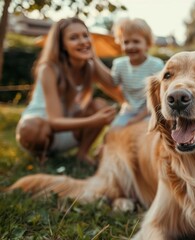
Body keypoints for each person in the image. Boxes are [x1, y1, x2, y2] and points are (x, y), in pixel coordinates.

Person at [16, 17, 125, 165]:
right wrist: (94, 121)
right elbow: (53, 121)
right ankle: (41, 157)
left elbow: (113, 84)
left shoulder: (88, 66)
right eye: (74, 38)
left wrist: (92, 55)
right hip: (41, 132)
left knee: (100, 106)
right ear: (62, 45)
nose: (83, 41)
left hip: (69, 131)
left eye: (85, 36)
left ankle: (82, 154)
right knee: (31, 126)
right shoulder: (48, 68)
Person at [110, 18, 164, 127]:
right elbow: (112, 83)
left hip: (150, 112)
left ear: (147, 43)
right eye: (126, 42)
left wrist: (137, 119)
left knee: (145, 135)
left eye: (136, 41)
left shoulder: (156, 65)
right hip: (128, 111)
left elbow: (158, 98)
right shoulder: (119, 64)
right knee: (113, 133)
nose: (130, 46)